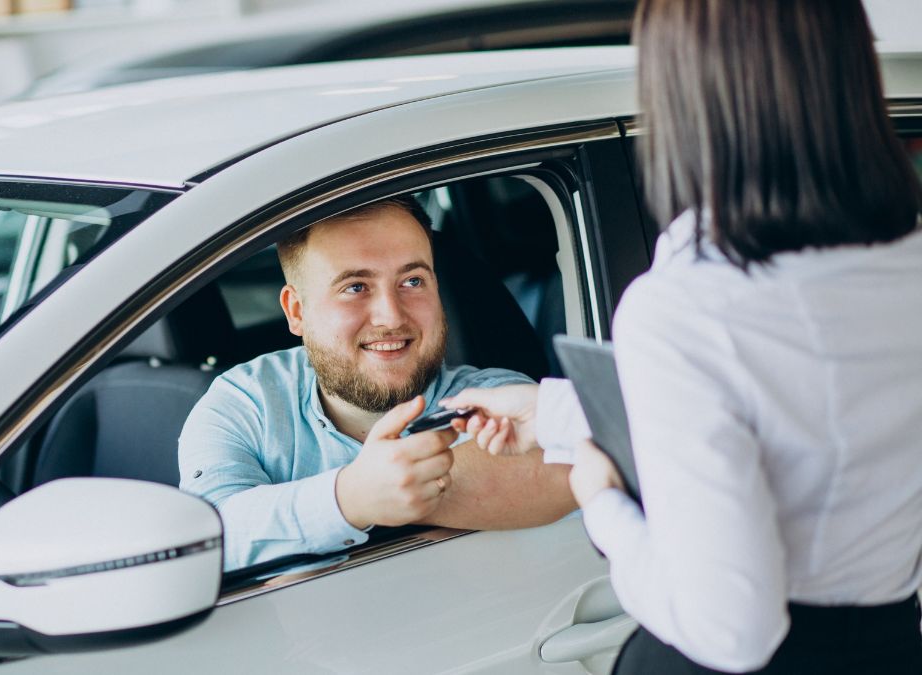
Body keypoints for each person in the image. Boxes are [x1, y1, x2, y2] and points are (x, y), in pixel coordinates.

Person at [442, 0, 922, 673]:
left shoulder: (688, 307)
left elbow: (733, 631)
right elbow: (795, 415)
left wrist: (599, 498)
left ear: (684, 93)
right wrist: (551, 411)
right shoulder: (906, 266)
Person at [178, 195, 576, 570]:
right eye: (355, 287)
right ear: (296, 310)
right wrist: (349, 498)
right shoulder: (244, 403)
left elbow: (563, 468)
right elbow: (204, 538)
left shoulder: (494, 399)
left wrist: (396, 492)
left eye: (413, 281)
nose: (390, 316)